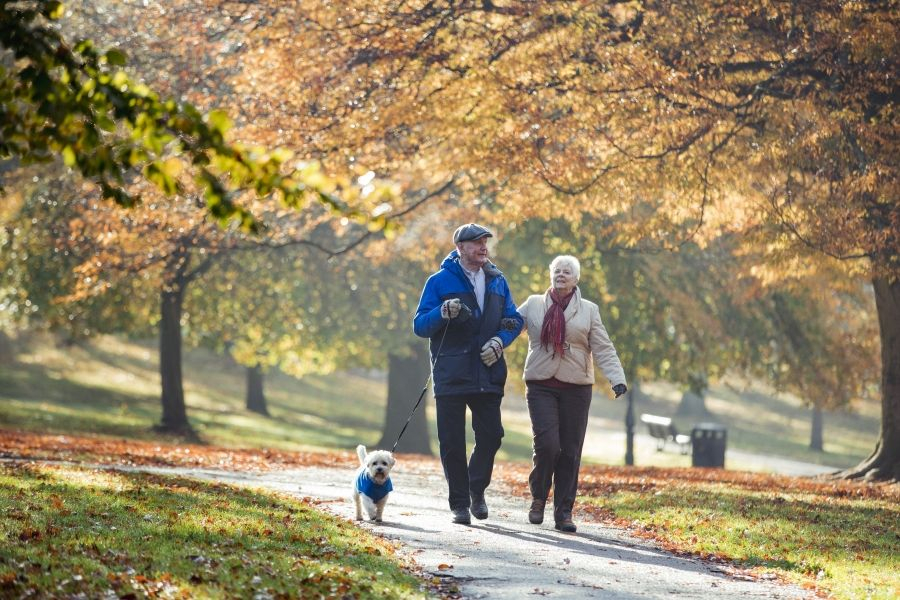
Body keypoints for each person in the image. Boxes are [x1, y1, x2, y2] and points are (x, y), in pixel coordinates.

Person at [414, 223, 524, 525]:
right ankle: (460, 504)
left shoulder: (498, 280)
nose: (483, 247)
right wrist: (442, 313)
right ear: (460, 247)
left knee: (491, 436)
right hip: (450, 372)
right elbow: (420, 325)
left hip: (488, 371)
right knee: (451, 442)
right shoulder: (438, 281)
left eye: (485, 241)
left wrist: (500, 341)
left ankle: (476, 490)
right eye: (476, 243)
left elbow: (513, 320)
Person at [517, 255, 627, 532]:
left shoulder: (589, 310)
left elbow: (602, 346)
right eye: (557, 270)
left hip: (576, 388)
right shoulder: (532, 304)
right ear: (550, 275)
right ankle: (539, 497)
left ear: (576, 279)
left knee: (570, 451)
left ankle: (563, 512)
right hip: (541, 383)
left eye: (567, 272)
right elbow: (507, 327)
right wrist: (492, 342)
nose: (561, 275)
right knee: (547, 446)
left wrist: (616, 378)